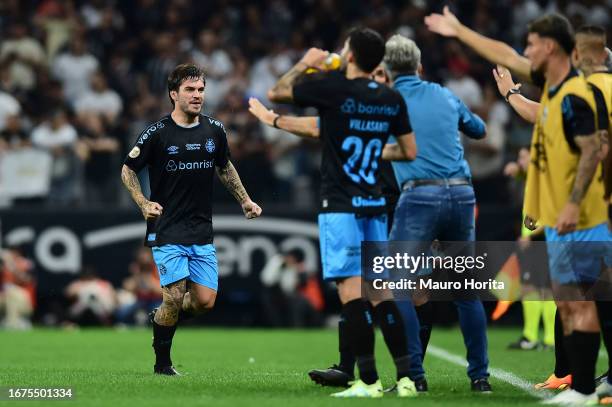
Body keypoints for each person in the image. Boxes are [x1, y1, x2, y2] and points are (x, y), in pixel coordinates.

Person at [427, 10, 609, 405]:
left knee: (584, 300)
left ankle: (586, 387)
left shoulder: (577, 94)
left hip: (583, 216)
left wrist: (575, 203)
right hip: (558, 215)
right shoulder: (555, 90)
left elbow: (596, 149)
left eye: (531, 44)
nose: (525, 51)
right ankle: (579, 384)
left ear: (550, 47)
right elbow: (506, 56)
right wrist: (460, 31)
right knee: (566, 302)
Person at [249, 64, 427, 391]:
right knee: (371, 292)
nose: (372, 83)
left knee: (366, 291)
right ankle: (372, 371)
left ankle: (386, 376)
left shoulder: (377, 106)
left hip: (372, 204)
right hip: (380, 204)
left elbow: (318, 126)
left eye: (379, 77)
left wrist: (273, 119)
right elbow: (320, 126)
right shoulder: (390, 107)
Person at [121, 63, 262, 376]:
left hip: (201, 229)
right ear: (174, 94)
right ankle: (162, 366)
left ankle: (161, 319)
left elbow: (224, 167)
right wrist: (143, 203)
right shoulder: (156, 133)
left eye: (200, 90)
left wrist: (245, 201)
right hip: (167, 227)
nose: (197, 95)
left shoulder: (214, 130)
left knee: (204, 302)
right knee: (173, 296)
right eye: (190, 90)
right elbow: (128, 169)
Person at [381, 34, 491, 392]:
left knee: (399, 285)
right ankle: (480, 377)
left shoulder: (387, 100)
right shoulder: (445, 94)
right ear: (420, 66)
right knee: (465, 292)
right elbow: (478, 128)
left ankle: (414, 375)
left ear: (386, 69)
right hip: (461, 194)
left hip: (419, 196)